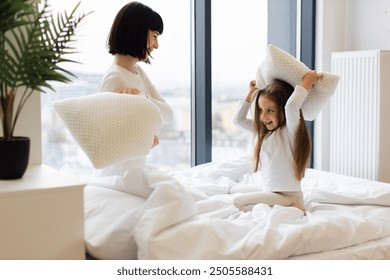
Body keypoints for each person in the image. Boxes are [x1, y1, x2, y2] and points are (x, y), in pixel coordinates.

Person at [232, 71, 322, 214]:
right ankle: (277, 206)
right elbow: (238, 120)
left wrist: (308, 81)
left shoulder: (291, 131)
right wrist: (251, 92)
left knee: (237, 202)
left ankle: (295, 208)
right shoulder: (264, 132)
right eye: (261, 110)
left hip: (289, 197)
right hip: (271, 193)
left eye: (270, 110)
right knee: (234, 189)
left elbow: (292, 106)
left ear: (282, 111)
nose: (264, 116)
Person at [98, 1, 173, 134]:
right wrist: (146, 142)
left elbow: (168, 115)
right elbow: (108, 137)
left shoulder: (138, 71)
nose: (156, 46)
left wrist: (141, 98)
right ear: (137, 32)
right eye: (154, 36)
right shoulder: (114, 79)